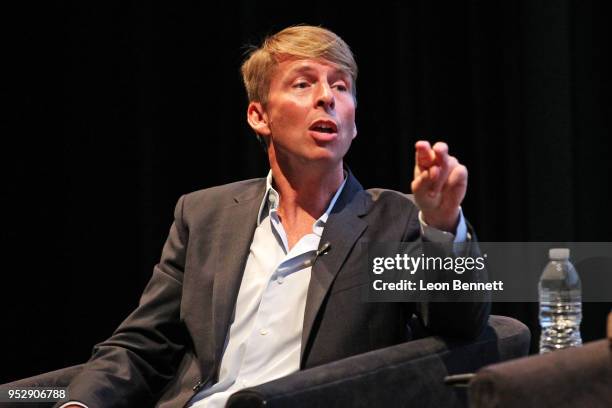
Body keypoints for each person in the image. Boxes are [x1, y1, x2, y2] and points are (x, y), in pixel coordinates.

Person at [60, 25, 489, 408]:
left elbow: (463, 326)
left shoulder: (396, 219)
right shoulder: (204, 215)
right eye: (304, 84)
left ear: (354, 124)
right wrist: (80, 404)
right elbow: (143, 344)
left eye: (341, 87)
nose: (327, 97)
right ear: (258, 116)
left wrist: (443, 224)